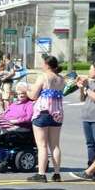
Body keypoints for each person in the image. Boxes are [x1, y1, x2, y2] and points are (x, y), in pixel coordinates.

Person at [27, 54, 65, 182]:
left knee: (42, 145)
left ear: (47, 65)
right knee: (55, 145)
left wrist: (25, 89)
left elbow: (33, 95)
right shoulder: (61, 79)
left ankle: (41, 173)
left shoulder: (43, 77)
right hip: (57, 112)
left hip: (43, 111)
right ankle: (57, 173)